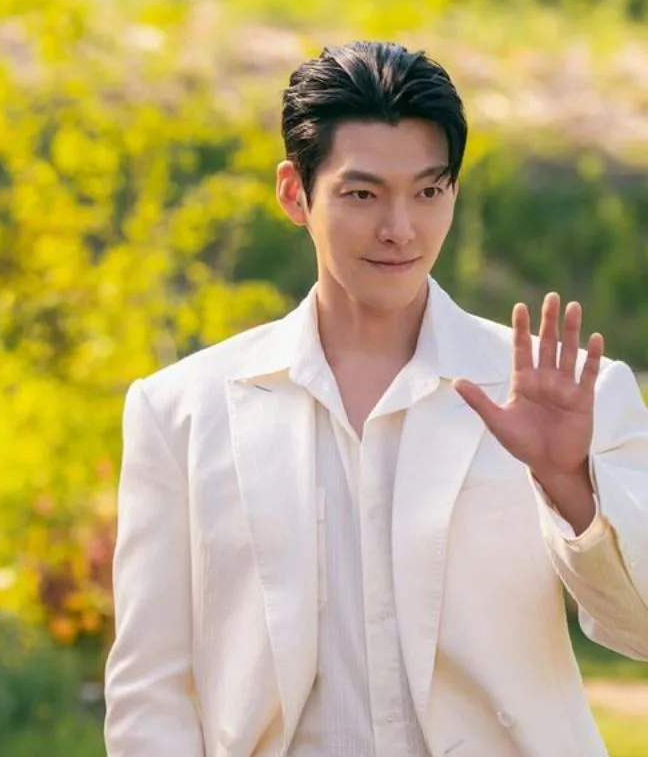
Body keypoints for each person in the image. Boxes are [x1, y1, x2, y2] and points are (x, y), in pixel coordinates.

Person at [103, 40, 648, 757]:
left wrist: (568, 484)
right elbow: (151, 692)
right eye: (362, 194)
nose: (400, 229)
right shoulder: (180, 411)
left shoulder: (570, 392)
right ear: (295, 193)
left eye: (428, 191)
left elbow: (639, 630)